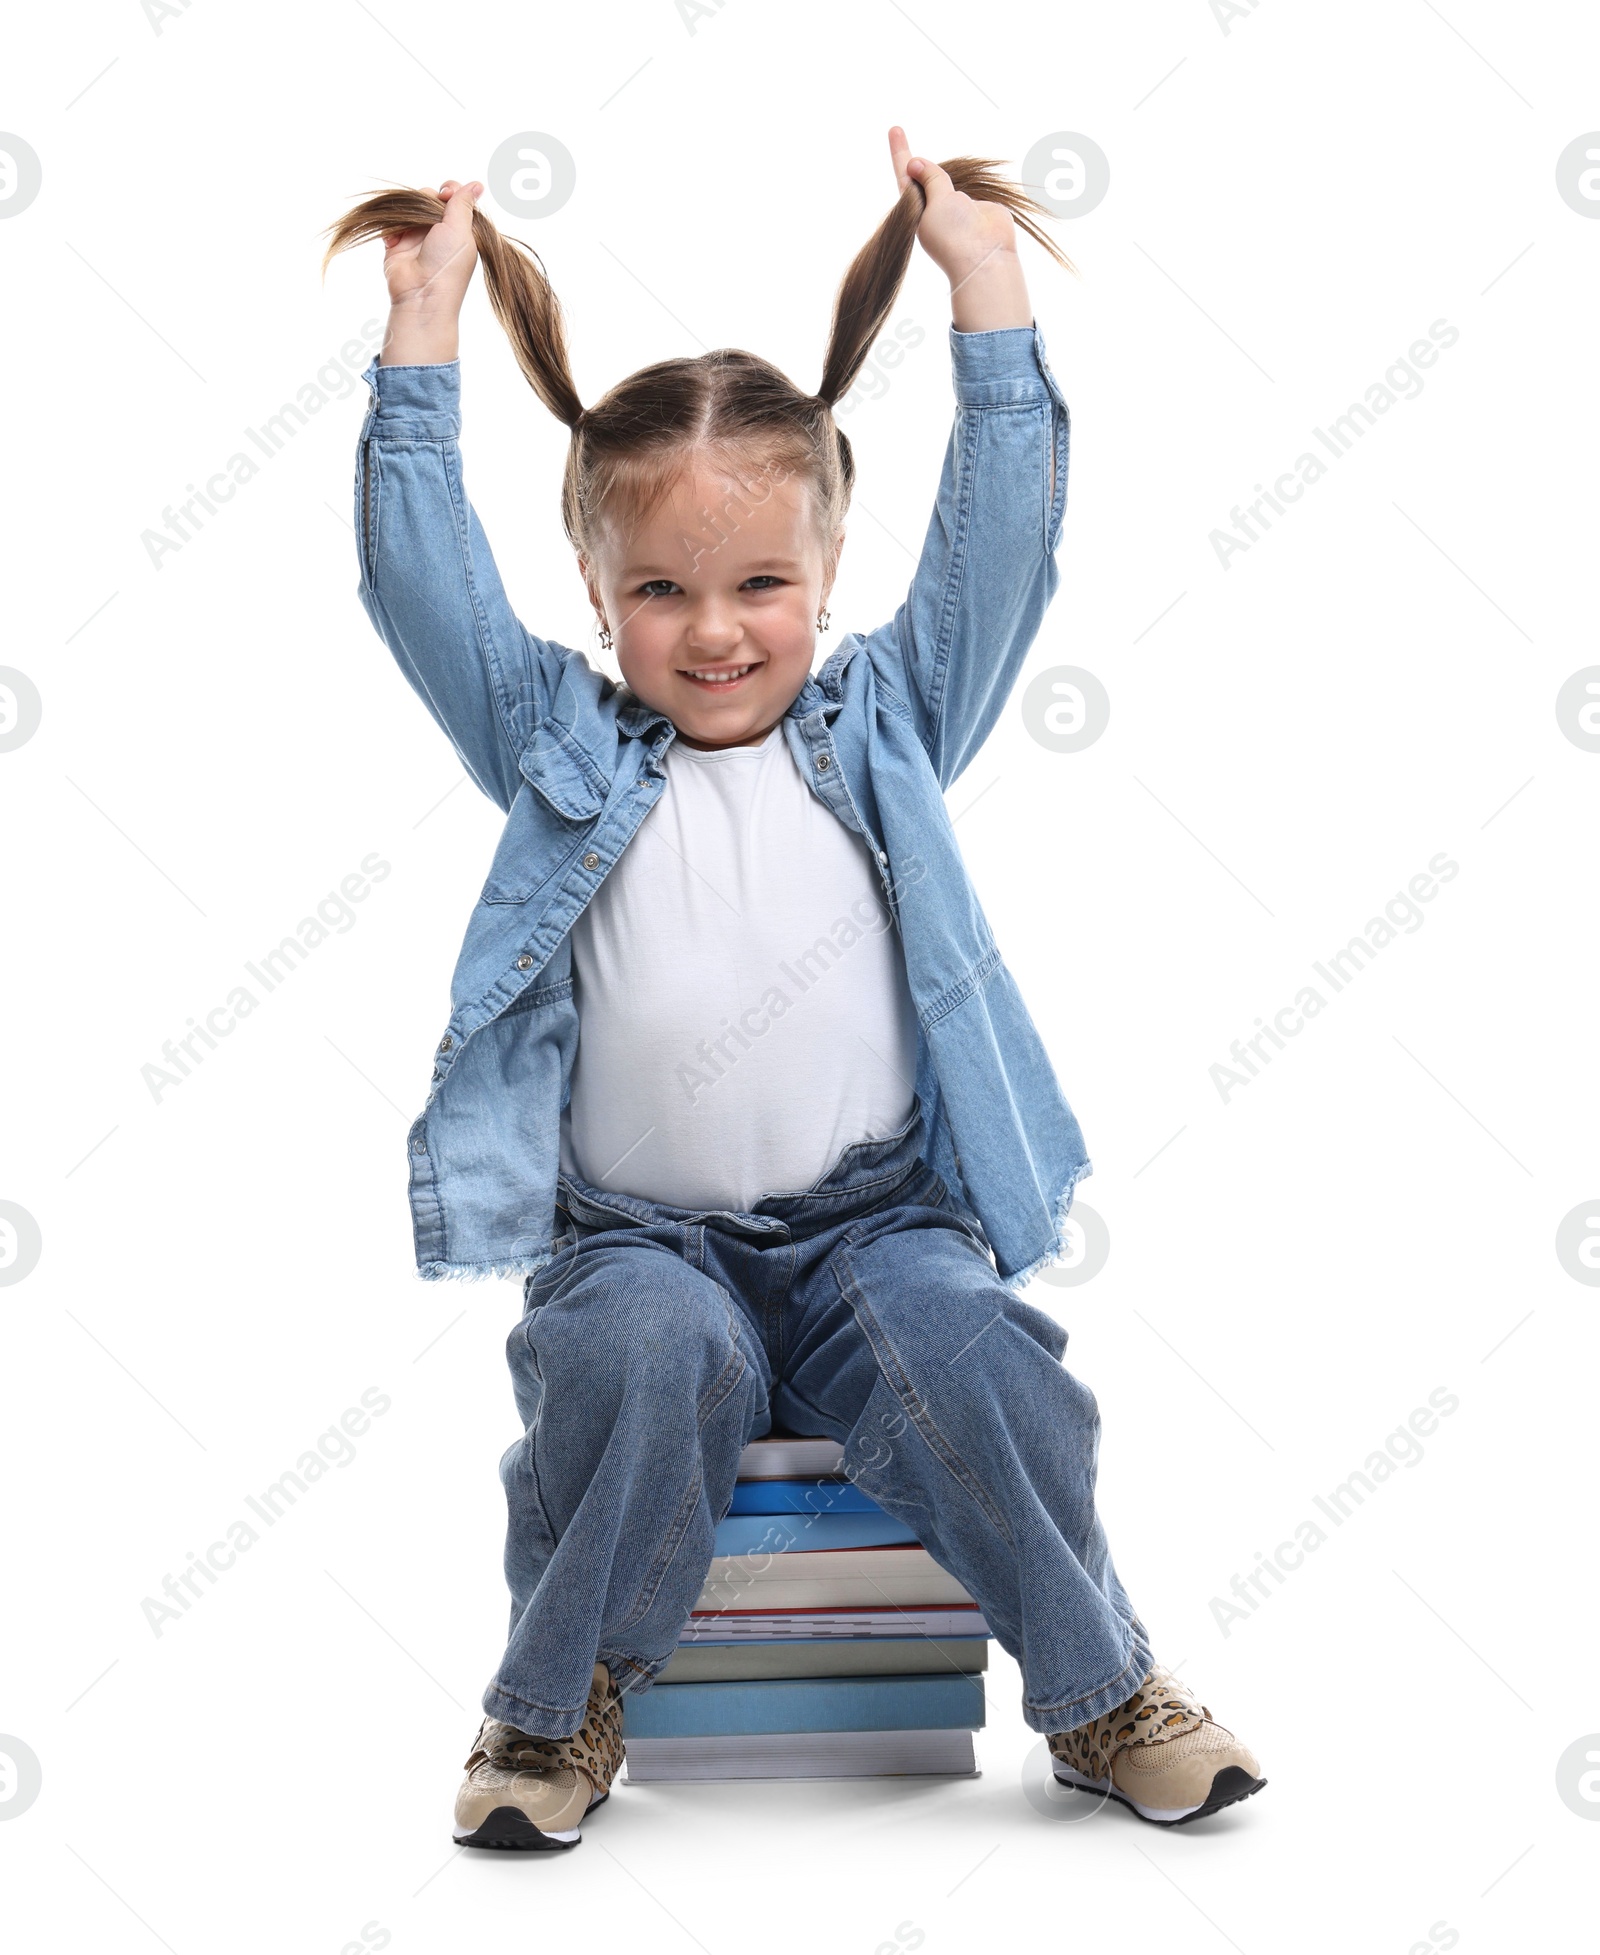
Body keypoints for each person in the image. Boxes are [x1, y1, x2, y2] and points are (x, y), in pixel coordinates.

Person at [324, 126, 1264, 1848]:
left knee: (979, 1354)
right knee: (637, 1355)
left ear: (827, 576)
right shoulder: (558, 744)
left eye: (762, 584)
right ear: (598, 597)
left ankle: (1103, 1682)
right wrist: (421, 334)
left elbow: (1005, 550)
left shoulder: (891, 717)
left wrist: (981, 285)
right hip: (641, 1240)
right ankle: (552, 1715)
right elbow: (415, 579)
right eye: (662, 591)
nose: (716, 630)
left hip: (873, 1228)